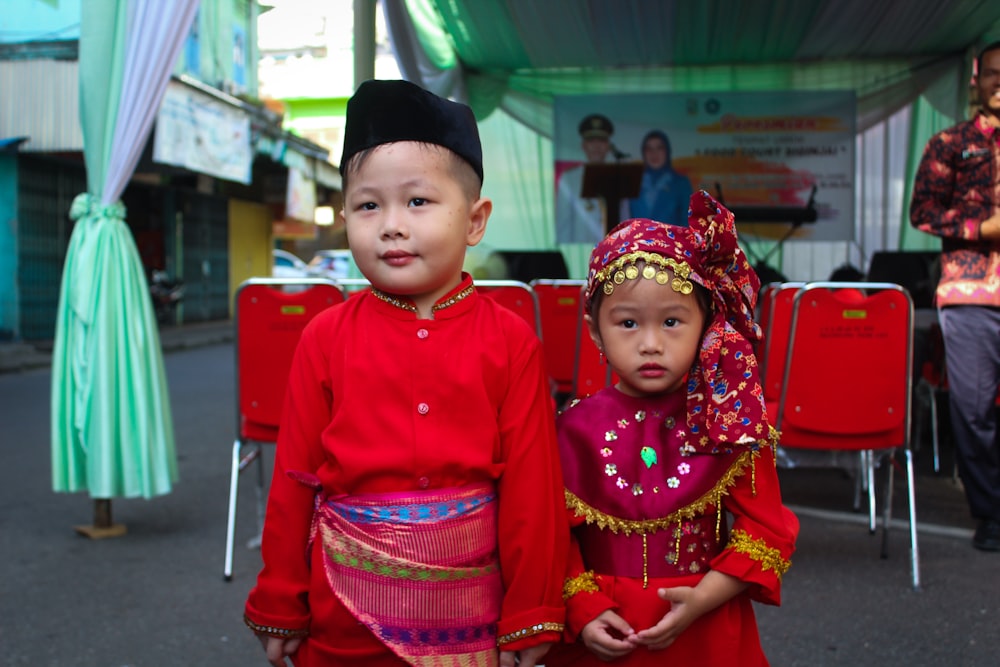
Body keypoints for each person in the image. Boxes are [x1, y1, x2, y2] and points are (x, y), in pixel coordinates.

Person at [244, 79, 569, 666]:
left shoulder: (510, 340)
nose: (391, 224)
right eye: (369, 205)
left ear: (474, 221)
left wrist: (532, 611)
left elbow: (533, 489)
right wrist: (280, 601)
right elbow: (294, 481)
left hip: (475, 620)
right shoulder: (324, 336)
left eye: (418, 202)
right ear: (346, 216)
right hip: (343, 620)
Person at [546, 191, 799, 666]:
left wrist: (703, 599)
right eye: (627, 323)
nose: (650, 344)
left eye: (671, 321)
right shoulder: (570, 430)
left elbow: (767, 533)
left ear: (705, 323)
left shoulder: (730, 421)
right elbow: (552, 539)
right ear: (595, 330)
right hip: (600, 631)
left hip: (704, 630)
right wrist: (581, 606)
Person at [909, 40, 1000, 552]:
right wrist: (980, 226)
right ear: (977, 80)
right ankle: (989, 515)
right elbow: (922, 211)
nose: (999, 82)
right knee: (973, 410)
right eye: (993, 74)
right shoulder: (950, 142)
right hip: (970, 292)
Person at [555, 113, 617, 244]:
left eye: (601, 141)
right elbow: (563, 225)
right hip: (582, 250)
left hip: (614, 251)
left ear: (608, 146)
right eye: (591, 141)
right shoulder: (569, 178)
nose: (596, 146)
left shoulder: (620, 176)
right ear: (583, 145)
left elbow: (625, 220)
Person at [627, 130, 693, 227]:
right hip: (637, 241)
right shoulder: (633, 182)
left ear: (667, 151)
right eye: (649, 149)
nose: (654, 153)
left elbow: (687, 222)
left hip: (670, 241)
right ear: (644, 153)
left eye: (659, 148)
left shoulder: (680, 183)